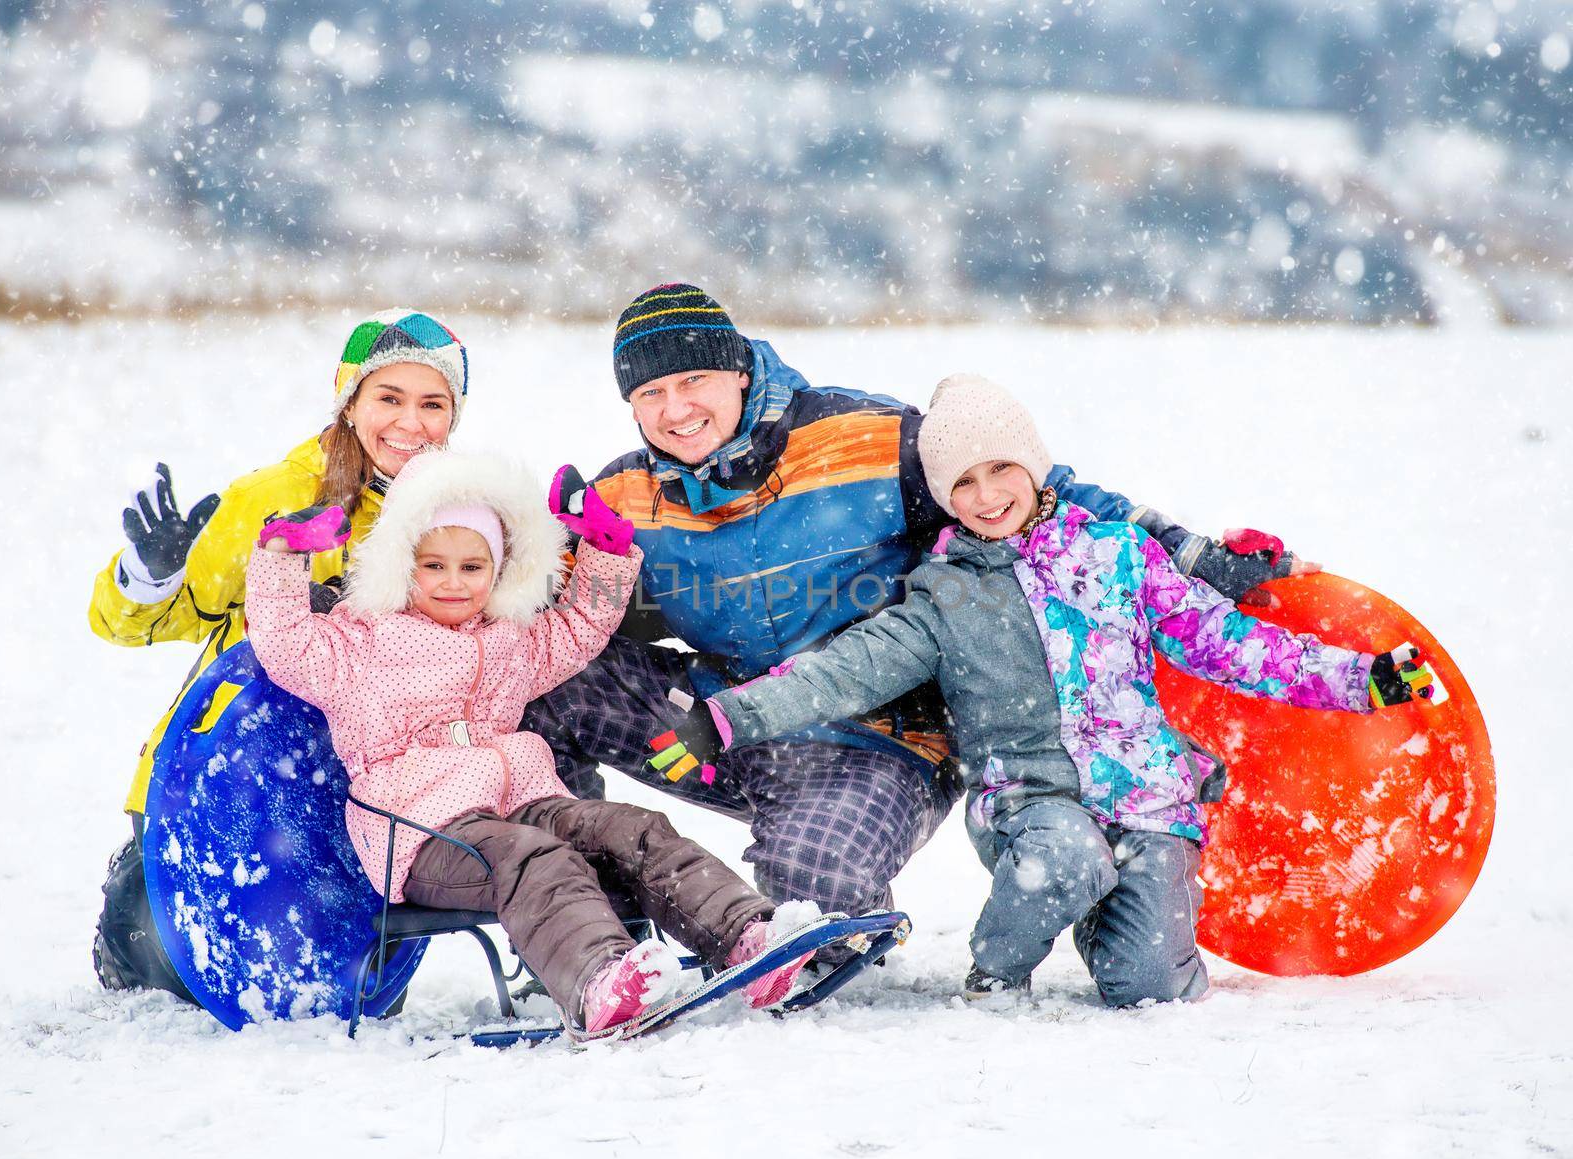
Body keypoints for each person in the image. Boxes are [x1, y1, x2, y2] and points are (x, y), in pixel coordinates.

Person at [524, 282, 1315, 926]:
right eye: (651, 392)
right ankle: (595, 928)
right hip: (713, 721)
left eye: (692, 379)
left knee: (806, 896)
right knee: (538, 677)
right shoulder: (624, 494)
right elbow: (552, 609)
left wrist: (1190, 553)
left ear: (737, 370)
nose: (675, 408)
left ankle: (823, 912)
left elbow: (1031, 488)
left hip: (880, 745)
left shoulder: (869, 441)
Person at [656, 373, 1437, 1006]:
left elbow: (1231, 647)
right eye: (961, 481)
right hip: (1027, 800)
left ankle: (1115, 913)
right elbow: (841, 669)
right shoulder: (943, 597)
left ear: (1032, 467)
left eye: (1001, 469)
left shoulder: (1121, 556)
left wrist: (1363, 680)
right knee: (1064, 857)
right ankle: (995, 974)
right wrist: (726, 720)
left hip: (1145, 797)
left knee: (1151, 988)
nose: (987, 494)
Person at [244, 448, 818, 1033]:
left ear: (499, 571)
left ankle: (747, 936)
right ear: (400, 564)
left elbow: (579, 628)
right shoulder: (357, 646)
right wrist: (283, 557)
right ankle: (601, 981)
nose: (453, 583)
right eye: (432, 565)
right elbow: (285, 640)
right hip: (423, 832)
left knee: (631, 828)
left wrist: (605, 553)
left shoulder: (509, 640)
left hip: (523, 804)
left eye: (473, 567)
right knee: (532, 858)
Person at [88, 308, 469, 999]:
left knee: (330, 1000)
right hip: (214, 781)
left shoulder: (455, 520)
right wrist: (152, 573)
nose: (410, 423)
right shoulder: (274, 498)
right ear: (349, 402)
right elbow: (136, 624)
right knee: (165, 984)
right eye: (389, 398)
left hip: (355, 797)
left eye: (433, 404)